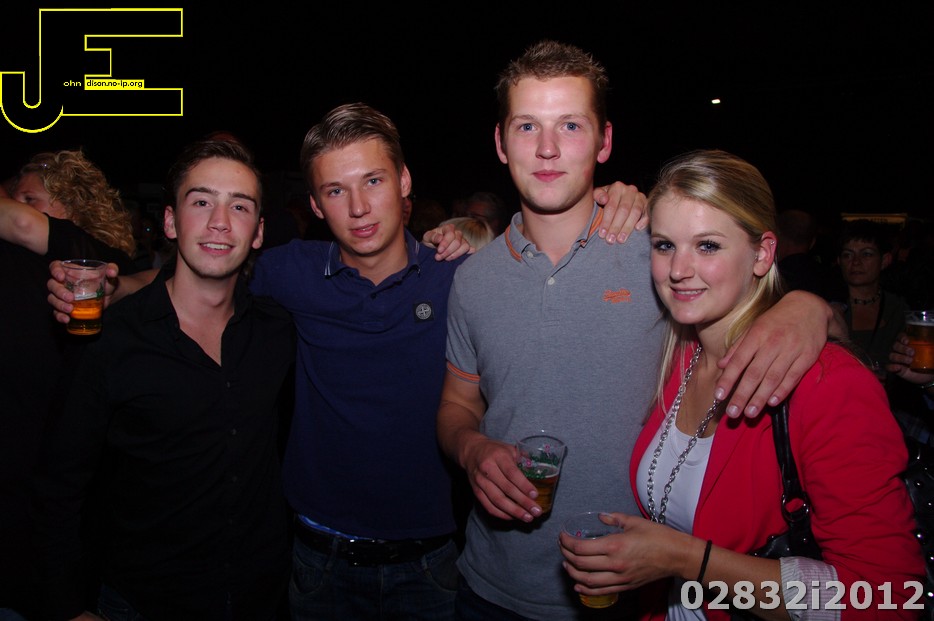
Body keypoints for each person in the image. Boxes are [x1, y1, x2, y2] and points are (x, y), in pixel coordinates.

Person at [47, 103, 651, 621]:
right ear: (314, 204)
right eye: (336, 190)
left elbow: (545, 257)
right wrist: (114, 287)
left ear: (404, 182)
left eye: (374, 181)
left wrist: (620, 202)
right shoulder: (291, 273)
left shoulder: (460, 277)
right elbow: (205, 270)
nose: (359, 207)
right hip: (315, 563)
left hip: (433, 564)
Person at [437, 40, 837, 620]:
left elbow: (747, 288)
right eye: (527, 126)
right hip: (489, 588)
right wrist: (470, 447)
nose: (547, 148)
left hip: (637, 594)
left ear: (604, 141)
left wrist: (806, 305)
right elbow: (456, 404)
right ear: (501, 143)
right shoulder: (472, 280)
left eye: (570, 125)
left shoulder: (657, 251)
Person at [560, 149, 923, 620]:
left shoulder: (827, 384)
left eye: (708, 246)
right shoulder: (678, 355)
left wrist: (687, 559)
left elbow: (889, 596)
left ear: (763, 253)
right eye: (665, 245)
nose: (678, 270)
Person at [32, 139, 296, 620]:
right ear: (171, 222)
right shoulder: (111, 341)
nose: (220, 221)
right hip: (142, 602)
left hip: (262, 596)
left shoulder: (279, 332)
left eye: (239, 206)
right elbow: (59, 485)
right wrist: (67, 607)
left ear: (258, 232)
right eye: (202, 202)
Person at [0, 149, 137, 619]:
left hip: (55, 501)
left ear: (73, 207)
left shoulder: (95, 260)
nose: (17, 208)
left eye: (30, 198)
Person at [831, 218, 910, 382]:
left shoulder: (898, 309)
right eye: (847, 255)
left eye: (866, 254)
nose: (856, 262)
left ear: (884, 260)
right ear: (839, 261)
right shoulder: (828, 308)